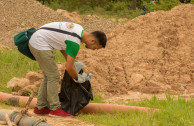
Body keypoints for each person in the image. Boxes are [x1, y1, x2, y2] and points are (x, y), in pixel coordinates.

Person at [29, 22, 107, 117]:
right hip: (39, 42)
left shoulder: (78, 29)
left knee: (49, 76)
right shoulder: (75, 41)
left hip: (38, 38)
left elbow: (61, 46)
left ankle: (40, 108)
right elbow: (69, 67)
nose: (93, 50)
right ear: (92, 41)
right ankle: (55, 109)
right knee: (53, 76)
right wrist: (79, 79)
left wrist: (73, 64)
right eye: (95, 48)